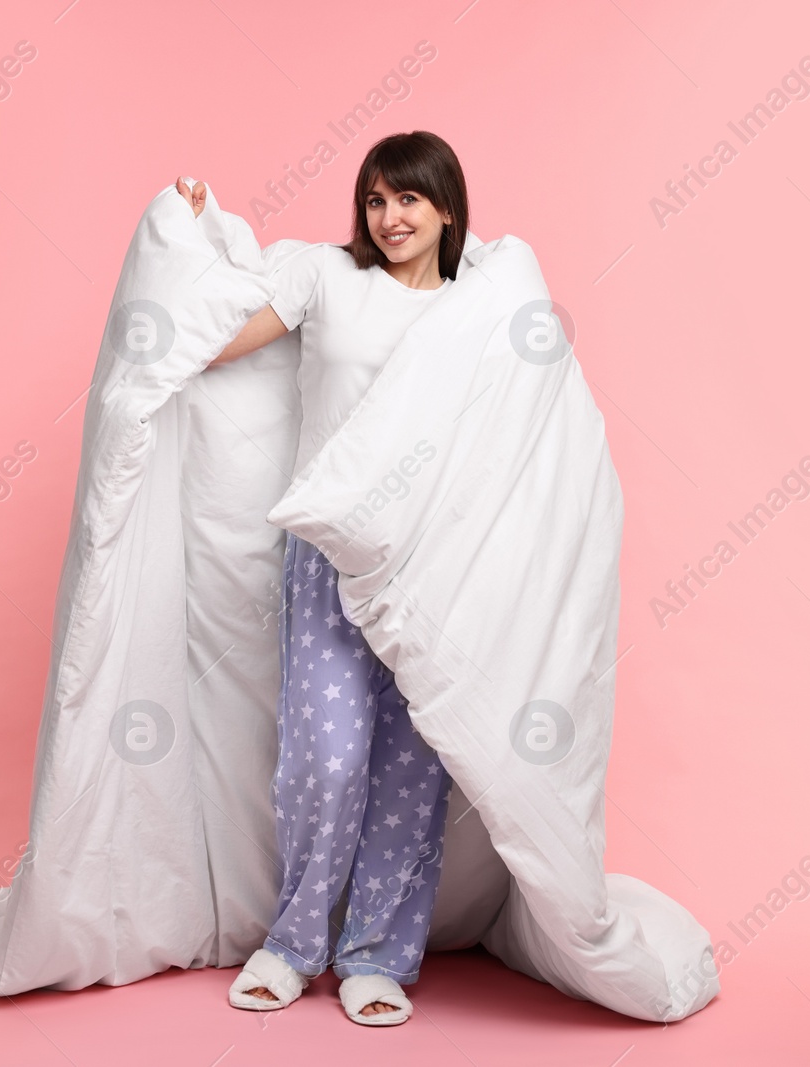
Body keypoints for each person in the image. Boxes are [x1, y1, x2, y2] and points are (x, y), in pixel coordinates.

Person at [174, 130, 468, 1026]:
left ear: (447, 206)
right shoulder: (327, 277)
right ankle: (295, 942)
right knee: (329, 757)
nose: (390, 218)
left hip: (433, 561)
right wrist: (192, 238)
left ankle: (379, 952)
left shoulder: (475, 309)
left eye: (409, 200)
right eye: (376, 200)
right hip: (330, 554)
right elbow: (221, 341)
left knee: (414, 766)